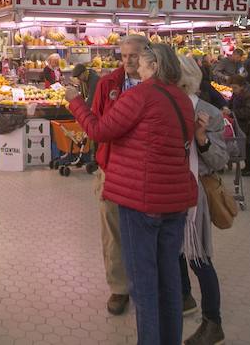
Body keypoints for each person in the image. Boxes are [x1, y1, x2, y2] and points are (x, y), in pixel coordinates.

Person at [65, 43, 197, 345]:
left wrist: (75, 102)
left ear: (152, 65)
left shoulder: (140, 96)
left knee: (144, 285)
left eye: (141, 61)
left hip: (141, 200)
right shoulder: (182, 99)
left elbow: (100, 131)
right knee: (168, 281)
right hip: (175, 201)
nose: (135, 64)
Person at [88, 34, 149, 316]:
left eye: (133, 56)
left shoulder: (157, 84)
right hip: (111, 167)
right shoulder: (108, 84)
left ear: (147, 55)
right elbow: (97, 121)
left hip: (145, 170)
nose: (128, 62)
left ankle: (146, 283)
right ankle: (119, 287)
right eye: (124, 56)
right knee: (112, 230)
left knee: (145, 228)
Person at [177, 56, 229, 345]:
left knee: (199, 257)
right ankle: (184, 297)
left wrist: (201, 137)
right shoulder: (169, 107)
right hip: (170, 188)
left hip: (195, 191)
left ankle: (213, 321)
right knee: (175, 250)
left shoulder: (209, 112)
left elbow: (220, 158)